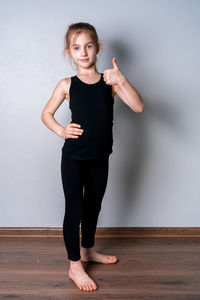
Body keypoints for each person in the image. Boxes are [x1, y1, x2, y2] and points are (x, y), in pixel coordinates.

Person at [41, 22, 145, 292]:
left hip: (101, 157)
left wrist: (121, 80)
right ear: (69, 52)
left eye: (88, 46)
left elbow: (138, 106)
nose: (83, 52)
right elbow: (45, 114)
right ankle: (75, 265)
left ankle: (87, 251)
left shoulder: (109, 82)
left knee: (93, 207)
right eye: (77, 47)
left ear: (97, 48)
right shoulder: (67, 84)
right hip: (74, 158)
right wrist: (62, 130)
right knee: (74, 209)